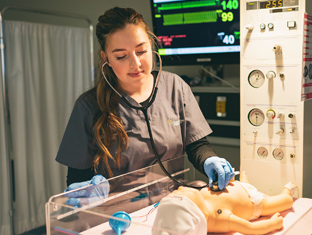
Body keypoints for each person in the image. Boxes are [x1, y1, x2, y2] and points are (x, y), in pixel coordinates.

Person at [55, 7, 234, 196]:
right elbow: (76, 178)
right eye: (121, 56)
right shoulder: (89, 107)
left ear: (151, 45)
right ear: (105, 57)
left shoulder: (175, 87)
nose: (136, 63)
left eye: (141, 51)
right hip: (119, 216)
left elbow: (196, 145)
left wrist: (209, 160)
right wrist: (88, 190)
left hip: (174, 205)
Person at [152, 172, 297, 235]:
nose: (182, 188)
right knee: (281, 202)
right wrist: (273, 224)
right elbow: (251, 228)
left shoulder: (199, 200)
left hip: (238, 187)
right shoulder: (219, 217)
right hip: (256, 203)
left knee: (243, 184)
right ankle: (287, 191)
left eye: (177, 190)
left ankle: (244, 181)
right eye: (183, 193)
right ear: (198, 212)